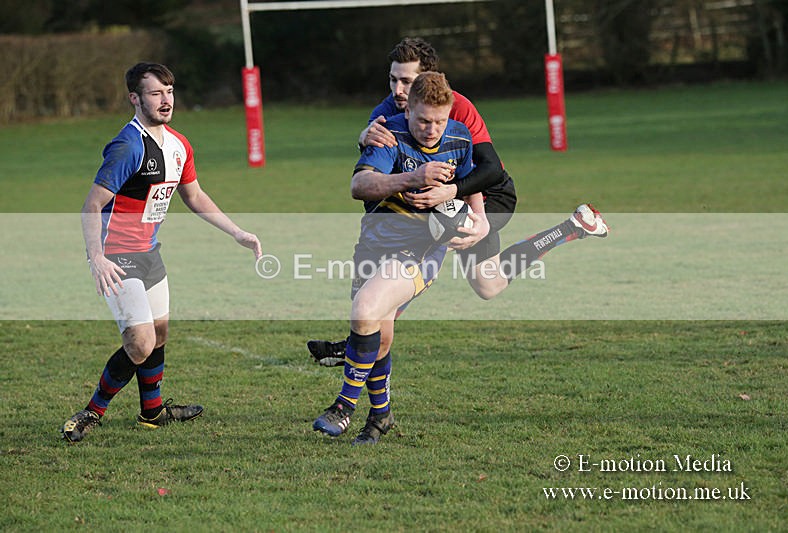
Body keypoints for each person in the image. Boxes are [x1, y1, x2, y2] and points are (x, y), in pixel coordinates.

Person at [308, 37, 608, 367]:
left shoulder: (459, 107)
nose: (397, 90)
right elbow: (376, 176)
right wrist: (363, 137)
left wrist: (461, 201)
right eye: (393, 79)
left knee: (446, 268)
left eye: (406, 81)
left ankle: (361, 342)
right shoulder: (385, 111)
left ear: (428, 79)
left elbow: (490, 169)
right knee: (483, 283)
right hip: (437, 197)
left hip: (486, 193)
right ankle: (573, 226)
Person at [61, 63, 262, 443]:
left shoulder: (179, 144)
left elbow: (195, 196)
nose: (166, 100)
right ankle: (92, 412)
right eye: (156, 93)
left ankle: (152, 412)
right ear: (135, 99)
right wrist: (96, 257)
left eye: (169, 91)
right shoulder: (128, 146)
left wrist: (237, 232)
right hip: (116, 257)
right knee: (140, 342)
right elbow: (92, 205)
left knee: (159, 332)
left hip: (150, 254)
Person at [312, 71, 489, 445]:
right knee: (378, 334)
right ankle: (381, 416)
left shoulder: (459, 137)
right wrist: (413, 178)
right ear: (409, 111)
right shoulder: (389, 135)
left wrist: (481, 221)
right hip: (373, 245)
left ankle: (343, 406)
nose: (432, 130)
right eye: (423, 120)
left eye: (439, 121)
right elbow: (359, 185)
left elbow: (472, 182)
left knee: (365, 310)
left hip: (421, 249)